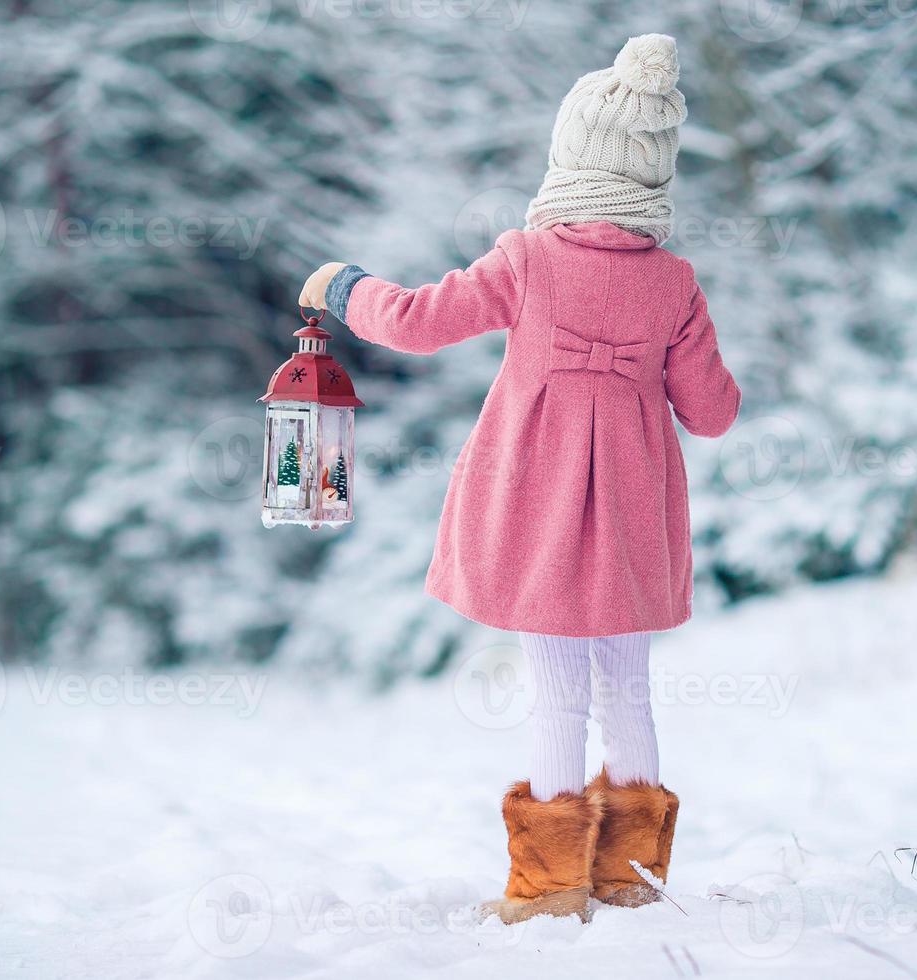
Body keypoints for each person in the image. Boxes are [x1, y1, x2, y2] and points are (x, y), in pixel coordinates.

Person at [299, 33, 740, 923]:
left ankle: (549, 891)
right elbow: (715, 411)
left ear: (569, 161)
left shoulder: (528, 260)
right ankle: (632, 880)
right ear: (655, 175)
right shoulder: (676, 283)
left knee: (558, 693)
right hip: (629, 520)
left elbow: (420, 323)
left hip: (537, 509)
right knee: (627, 688)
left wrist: (344, 288)